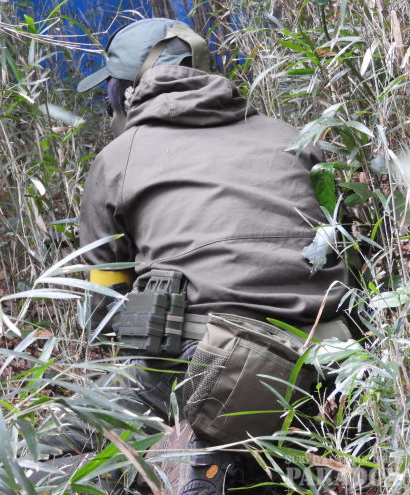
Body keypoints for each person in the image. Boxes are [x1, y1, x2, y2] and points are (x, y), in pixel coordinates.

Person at [76, 18, 351, 495]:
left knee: (76, 436)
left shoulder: (119, 158)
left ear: (123, 93)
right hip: (330, 356)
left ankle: (191, 461)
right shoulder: (292, 136)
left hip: (210, 363)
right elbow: (344, 242)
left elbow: (104, 302)